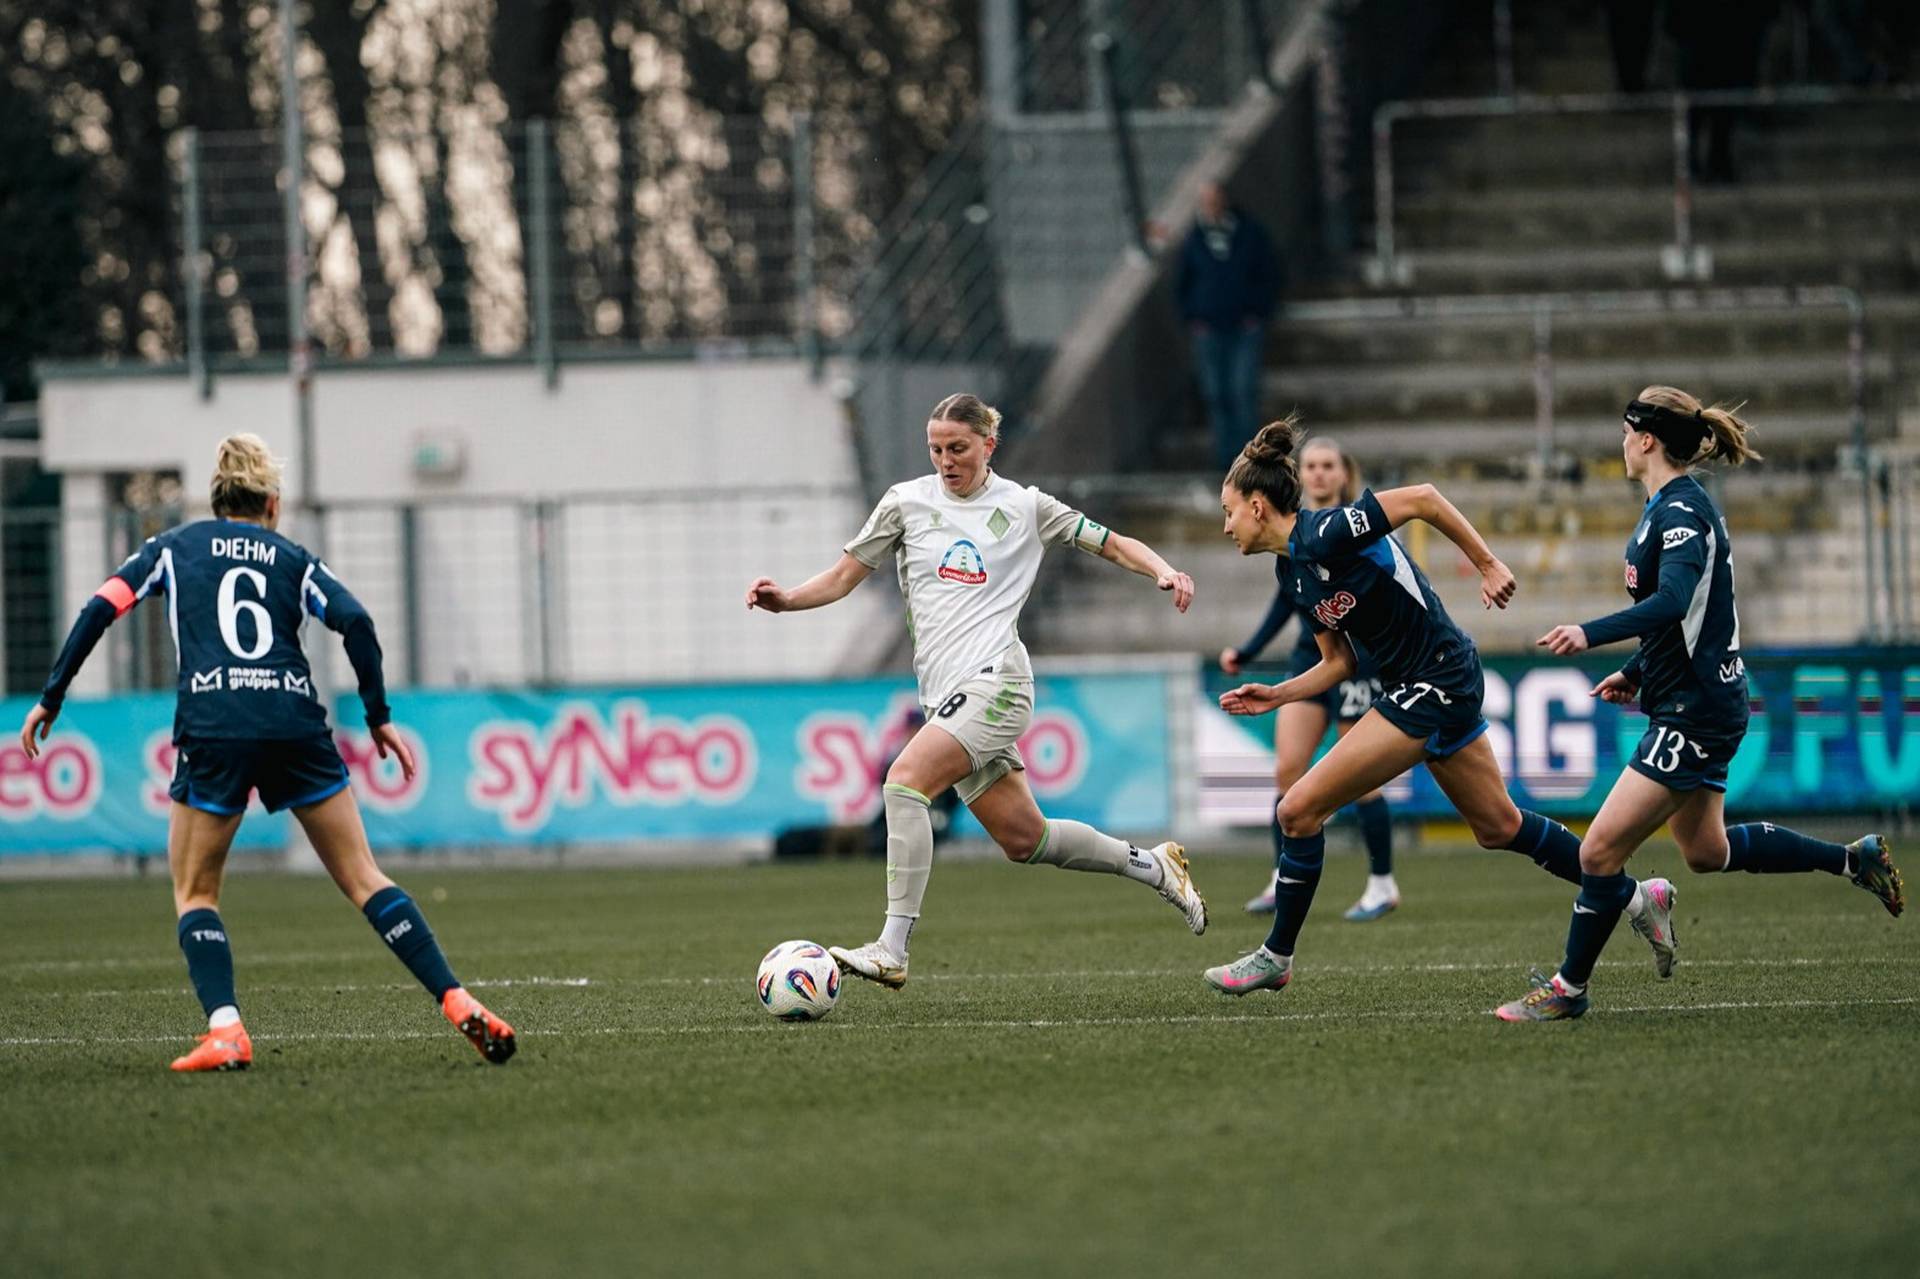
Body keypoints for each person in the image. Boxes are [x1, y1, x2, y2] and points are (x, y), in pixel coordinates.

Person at [17, 435, 515, 1071]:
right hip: (293, 722)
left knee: (196, 890)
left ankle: (226, 1029)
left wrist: (52, 696)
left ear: (216, 498)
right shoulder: (293, 557)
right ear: (272, 505)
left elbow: (102, 606)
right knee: (366, 878)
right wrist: (379, 717)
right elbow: (356, 620)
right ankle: (457, 998)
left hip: (217, 723)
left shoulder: (171, 549)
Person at [1202, 418, 1680, 997]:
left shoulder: (1329, 530)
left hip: (1437, 678)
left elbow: (1424, 499)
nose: (1226, 526)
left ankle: (1276, 955)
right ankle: (1638, 897)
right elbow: (1340, 663)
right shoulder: (1293, 571)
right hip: (1425, 684)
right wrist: (1277, 694)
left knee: (1297, 810)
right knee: (1499, 827)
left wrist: (1486, 563)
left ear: (1256, 505)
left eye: (1228, 512)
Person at [746, 393, 1208, 989]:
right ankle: (1156, 867)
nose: (946, 460)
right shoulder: (906, 503)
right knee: (1026, 839)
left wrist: (1163, 571)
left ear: (989, 445)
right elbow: (841, 577)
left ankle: (892, 947)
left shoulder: (1025, 507)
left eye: (958, 448)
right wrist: (786, 600)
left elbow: (1113, 541)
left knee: (904, 781)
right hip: (948, 698)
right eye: (936, 448)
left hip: (998, 683)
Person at [1496, 389, 1904, 1022]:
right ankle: (1856, 859)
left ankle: (1568, 989)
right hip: (1695, 700)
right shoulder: (1664, 508)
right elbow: (1690, 616)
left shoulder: (1682, 510)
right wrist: (1634, 670)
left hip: (1697, 709)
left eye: (1626, 431)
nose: (1621, 442)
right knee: (1705, 851)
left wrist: (1589, 631)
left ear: (1647, 439)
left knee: (1598, 853)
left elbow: (1673, 599)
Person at [1220, 437, 1398, 922]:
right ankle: (1283, 878)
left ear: (1343, 474)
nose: (1319, 473)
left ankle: (1382, 883)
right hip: (1316, 656)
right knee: (1287, 771)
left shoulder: (1350, 526)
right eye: (1311, 466)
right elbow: (1288, 601)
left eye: (1328, 466)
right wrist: (1250, 652)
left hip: (1360, 660)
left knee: (1360, 780)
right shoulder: (1288, 549)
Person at [1177, 182, 1281, 472]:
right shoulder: (1194, 240)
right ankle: (1225, 460)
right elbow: (1182, 284)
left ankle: (1250, 458)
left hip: (1243, 327)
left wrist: (1257, 312)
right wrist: (1194, 317)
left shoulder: (1248, 233)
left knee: (1242, 390)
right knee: (1216, 393)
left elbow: (1269, 273)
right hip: (1209, 330)